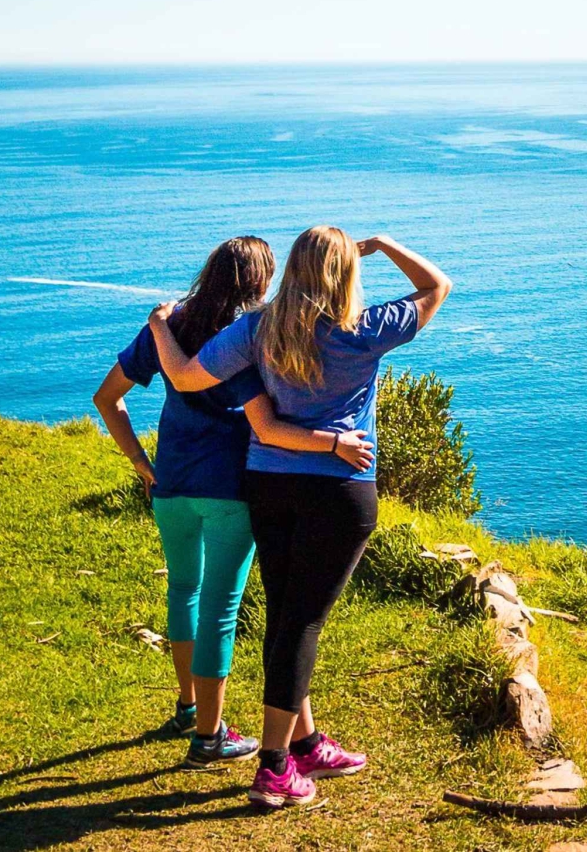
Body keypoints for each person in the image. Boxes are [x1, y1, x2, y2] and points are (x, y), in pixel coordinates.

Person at [147, 227, 450, 807]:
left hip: (268, 485)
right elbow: (437, 285)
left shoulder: (257, 329)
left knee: (288, 616)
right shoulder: (363, 330)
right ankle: (275, 767)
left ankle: (306, 744)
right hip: (339, 490)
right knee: (301, 624)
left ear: (292, 269)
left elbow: (185, 377)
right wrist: (384, 244)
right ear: (344, 275)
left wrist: (161, 326)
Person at [92, 237, 375, 770]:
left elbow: (106, 397)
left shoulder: (169, 327)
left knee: (183, 590)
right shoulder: (251, 339)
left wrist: (141, 464)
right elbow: (267, 424)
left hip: (170, 484)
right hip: (231, 489)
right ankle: (208, 737)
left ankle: (187, 707)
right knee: (222, 608)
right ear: (260, 282)